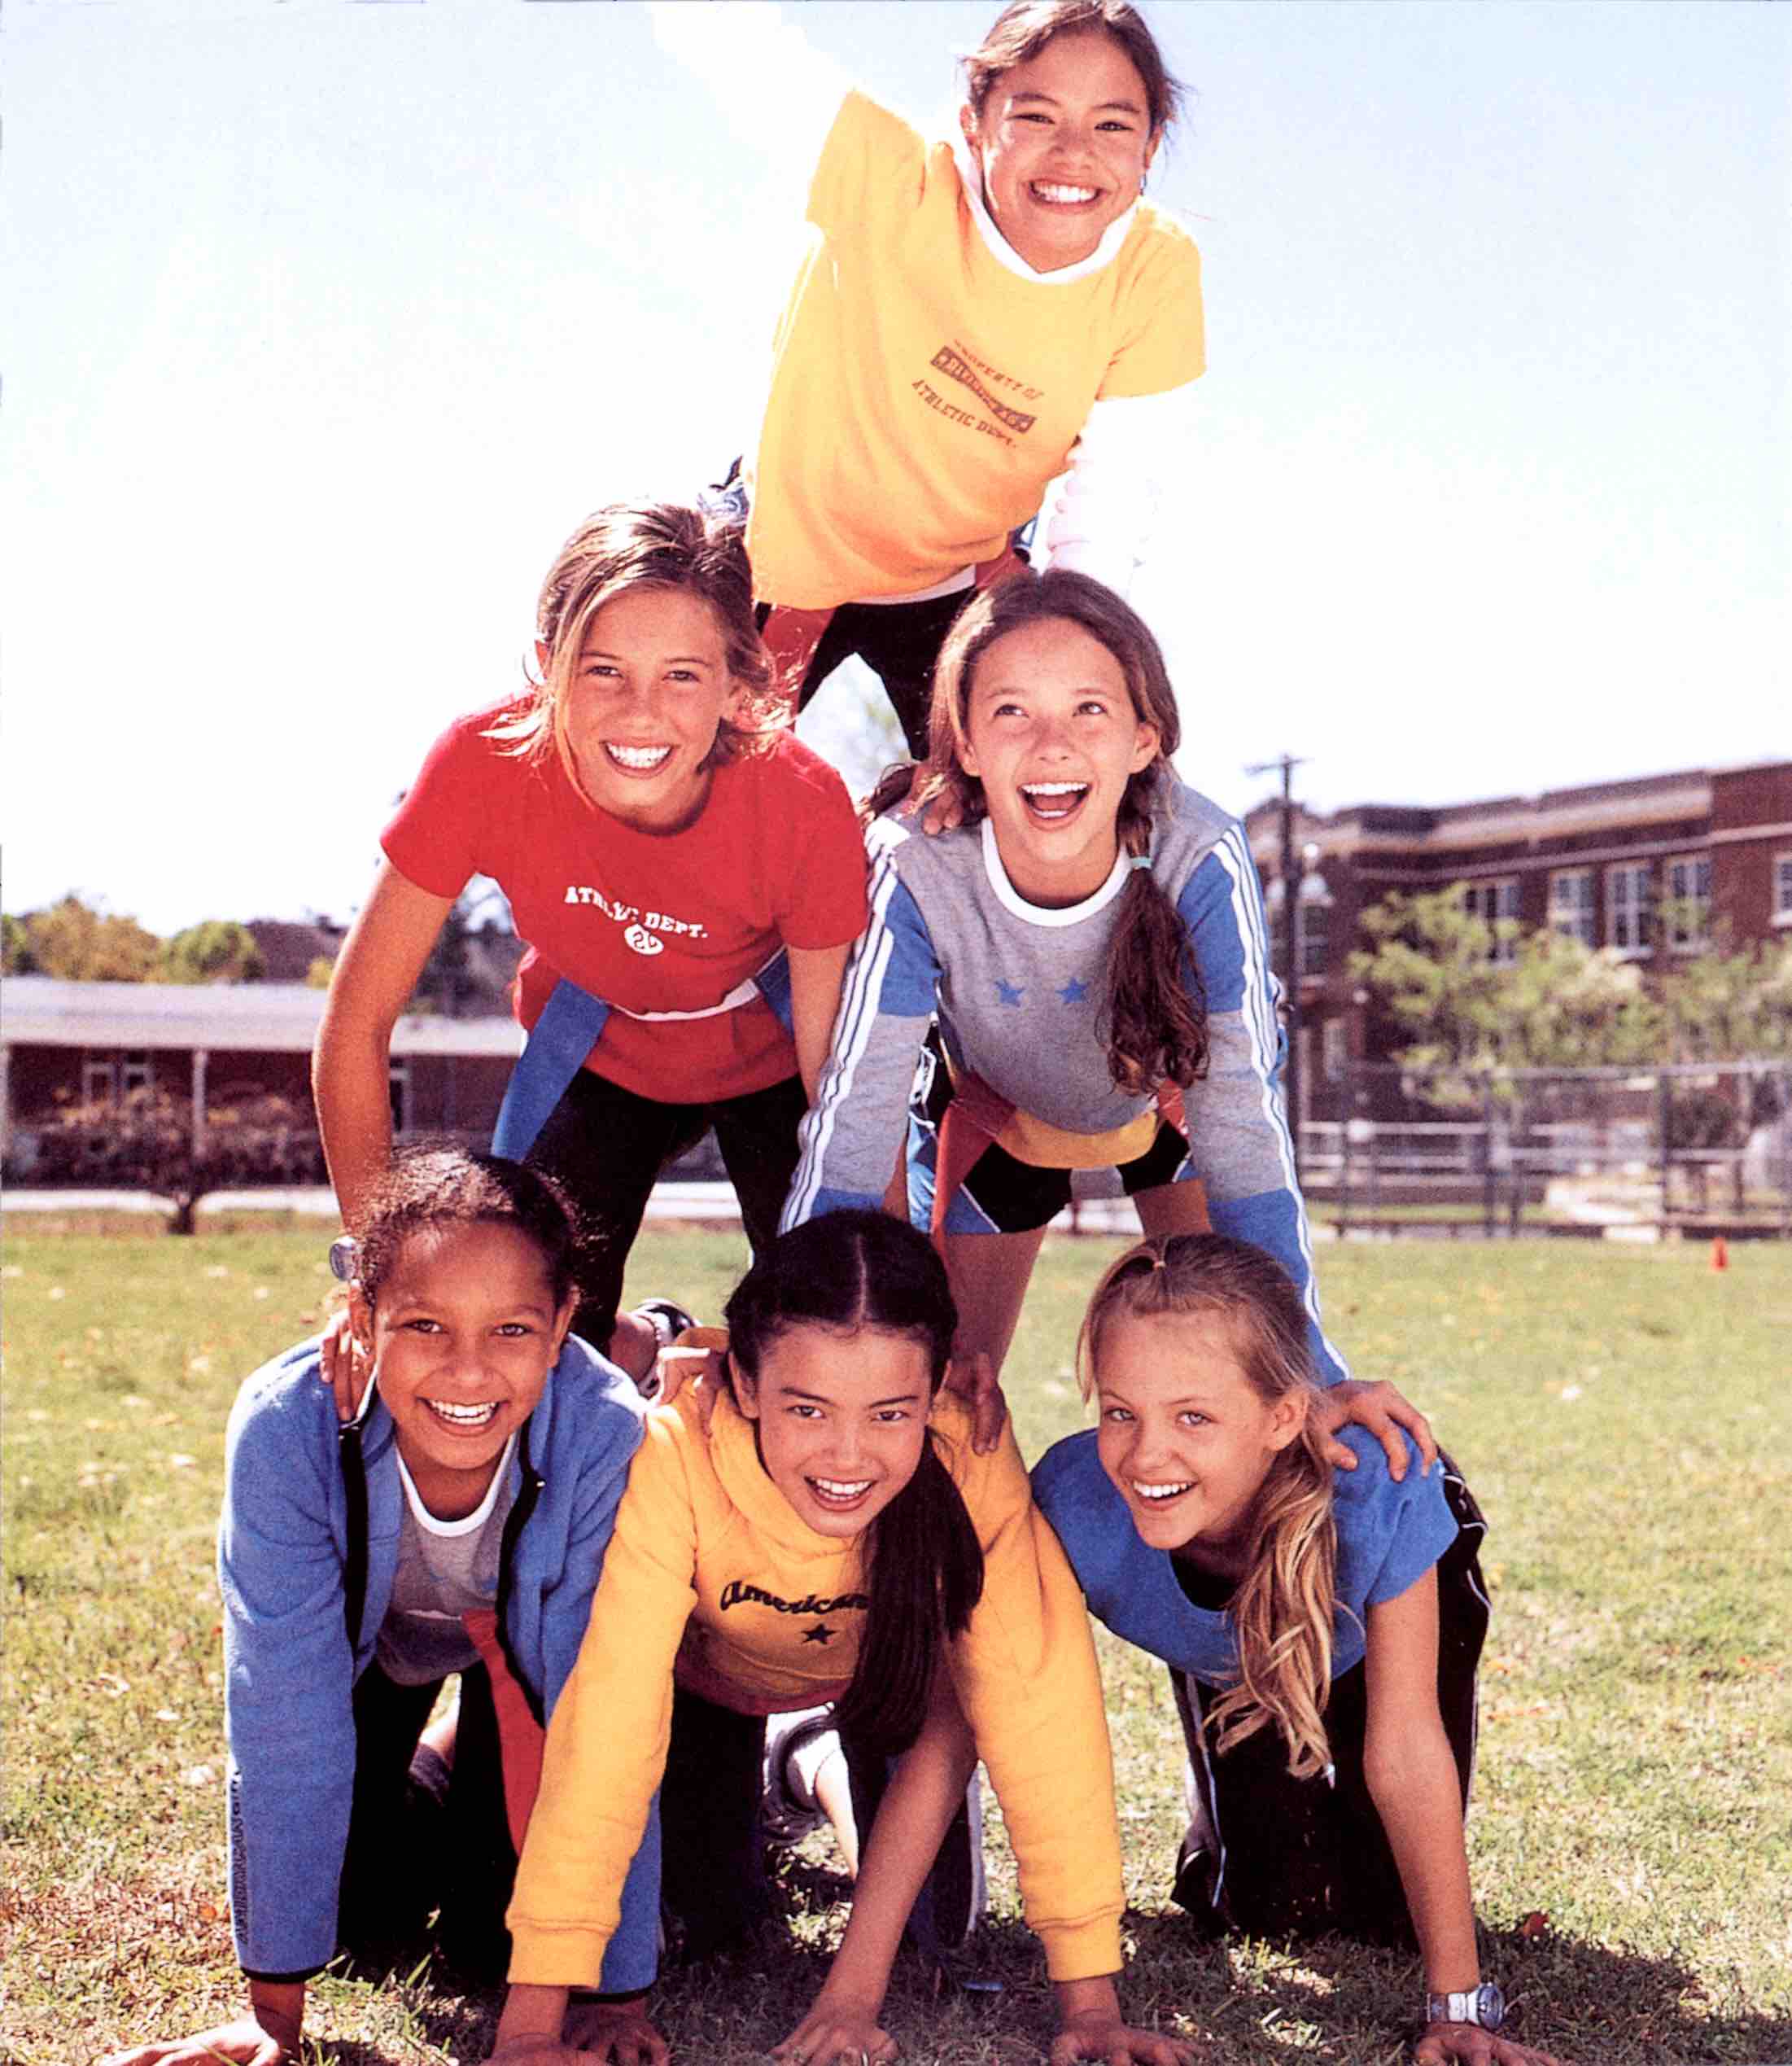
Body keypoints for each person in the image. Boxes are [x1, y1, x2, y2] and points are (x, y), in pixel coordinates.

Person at [488, 1211, 1197, 2066]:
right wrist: (533, 2023)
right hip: (705, 1688)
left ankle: (810, 1750)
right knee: (706, 1923)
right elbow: (611, 1723)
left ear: (938, 1389)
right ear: (745, 1387)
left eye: (890, 1413)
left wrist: (1089, 2001)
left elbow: (1037, 1705)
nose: (849, 1454)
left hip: (881, 1688)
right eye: (808, 1408)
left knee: (941, 1928)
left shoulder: (968, 1451)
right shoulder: (676, 1455)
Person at [781, 567, 1430, 1482]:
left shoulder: (1200, 851)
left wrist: (1313, 1373)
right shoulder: (918, 861)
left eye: (1089, 709)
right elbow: (859, 1116)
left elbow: (1242, 1130)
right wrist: (797, 1325)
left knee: (1252, 1409)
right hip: (1005, 1132)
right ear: (963, 742)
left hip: (1171, 1128)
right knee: (934, 1413)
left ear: (1145, 739)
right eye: (1012, 712)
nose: (1051, 744)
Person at [99, 1149, 662, 2066]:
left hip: (526, 1670)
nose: (469, 1372)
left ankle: (784, 1756)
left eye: (513, 1330)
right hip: (377, 1646)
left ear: (564, 1322)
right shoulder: (289, 1425)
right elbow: (285, 1714)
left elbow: (597, 1721)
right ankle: (434, 1769)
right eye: (426, 1325)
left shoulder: (605, 1434)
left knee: (492, 1945)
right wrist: (273, 2014)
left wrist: (614, 1986)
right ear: (362, 1319)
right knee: (362, 1924)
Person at [312, 501, 869, 1372]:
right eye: (603, 670)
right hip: (600, 1048)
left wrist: (882, 1286)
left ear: (737, 684)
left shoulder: (800, 799)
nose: (641, 714)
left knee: (826, 1321)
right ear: (547, 667)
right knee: (519, 1323)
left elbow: (840, 1075)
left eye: (683, 676)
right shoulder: (484, 761)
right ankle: (639, 1343)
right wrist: (370, 1261)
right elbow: (355, 1027)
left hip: (771, 1056)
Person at [1032, 1233, 1565, 2066]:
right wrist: (1089, 2001)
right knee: (1263, 1908)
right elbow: (1037, 1732)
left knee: (1394, 1907)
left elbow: (1405, 1744)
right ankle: (1230, 1751)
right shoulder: (1075, 1507)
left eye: (1193, 1417)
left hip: (1379, 1592)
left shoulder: (1379, 1490)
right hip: (1240, 1625)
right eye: (1119, 1411)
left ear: (1285, 1416)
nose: (1145, 1454)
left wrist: (1457, 2004)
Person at [652, 0, 1207, 756]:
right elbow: (723, 37)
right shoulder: (893, 183)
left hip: (955, 577)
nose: (1074, 153)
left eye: (1112, 125)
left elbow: (1110, 503)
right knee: (676, 768)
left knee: (1036, 769)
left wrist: (1072, 669)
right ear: (975, 123)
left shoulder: (1156, 271)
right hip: (784, 547)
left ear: (1152, 146)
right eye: (1036, 117)